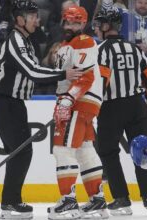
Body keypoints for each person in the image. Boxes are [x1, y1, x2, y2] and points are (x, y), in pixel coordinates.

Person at [0, 0, 85, 219]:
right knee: (21, 151)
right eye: (32, 16)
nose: (37, 19)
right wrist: (63, 74)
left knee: (20, 152)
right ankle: (10, 203)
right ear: (20, 19)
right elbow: (32, 71)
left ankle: (10, 202)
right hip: (4, 102)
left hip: (14, 102)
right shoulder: (15, 39)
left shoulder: (26, 40)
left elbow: (35, 70)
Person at [47, 5, 110, 220]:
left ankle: (68, 201)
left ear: (83, 23)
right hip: (82, 102)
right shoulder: (68, 44)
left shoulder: (83, 41)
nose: (70, 25)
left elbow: (85, 77)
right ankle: (97, 199)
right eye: (67, 21)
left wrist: (67, 100)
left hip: (78, 101)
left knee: (63, 148)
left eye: (75, 22)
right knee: (84, 149)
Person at [94, 8, 147, 216]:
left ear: (106, 26)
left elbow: (102, 80)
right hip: (136, 105)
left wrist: (94, 105)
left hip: (111, 107)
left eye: (99, 24)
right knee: (144, 151)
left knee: (107, 152)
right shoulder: (134, 48)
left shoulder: (101, 50)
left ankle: (121, 199)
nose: (96, 28)